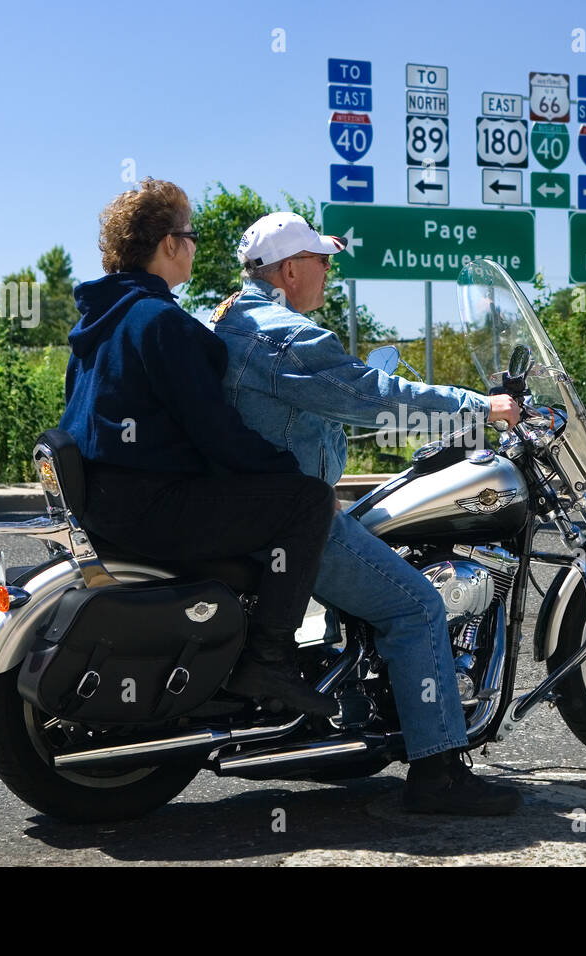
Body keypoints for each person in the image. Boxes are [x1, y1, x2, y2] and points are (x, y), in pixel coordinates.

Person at [210, 211, 524, 815]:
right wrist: (481, 407)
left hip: (248, 508)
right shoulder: (285, 337)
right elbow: (374, 397)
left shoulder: (227, 318)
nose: (330, 272)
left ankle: (360, 713)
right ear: (290, 269)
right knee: (416, 607)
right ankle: (439, 773)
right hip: (290, 519)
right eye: (323, 262)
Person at [59, 180, 337, 718]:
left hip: (102, 505)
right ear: (168, 244)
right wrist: (285, 472)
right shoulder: (160, 322)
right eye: (190, 235)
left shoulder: (98, 321)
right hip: (152, 509)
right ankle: (268, 658)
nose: (194, 246)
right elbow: (217, 434)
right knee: (306, 502)